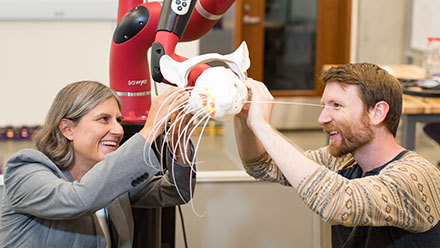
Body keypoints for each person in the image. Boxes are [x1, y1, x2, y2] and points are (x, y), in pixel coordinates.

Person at [234, 63, 440, 247]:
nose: (322, 118)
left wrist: (261, 126)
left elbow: (340, 202)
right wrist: (244, 116)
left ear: (377, 113)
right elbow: (261, 166)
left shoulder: (416, 176)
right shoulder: (342, 159)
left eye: (336, 105)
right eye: (324, 106)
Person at [0, 80, 195, 247]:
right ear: (68, 129)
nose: (118, 130)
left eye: (119, 120)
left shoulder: (109, 179)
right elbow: (78, 199)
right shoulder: (25, 169)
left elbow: (176, 191)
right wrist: (150, 130)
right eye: (104, 119)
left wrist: (181, 135)